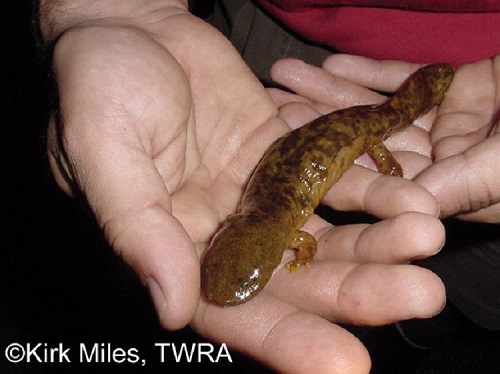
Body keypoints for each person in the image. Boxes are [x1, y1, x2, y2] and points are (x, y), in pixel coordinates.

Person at [37, 0, 498, 372]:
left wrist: (385, 164)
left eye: (248, 276)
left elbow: (305, 244)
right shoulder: (278, 231)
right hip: (282, 33)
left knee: (396, 146)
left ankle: (436, 329)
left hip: (361, 121)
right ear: (223, 233)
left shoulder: (290, 236)